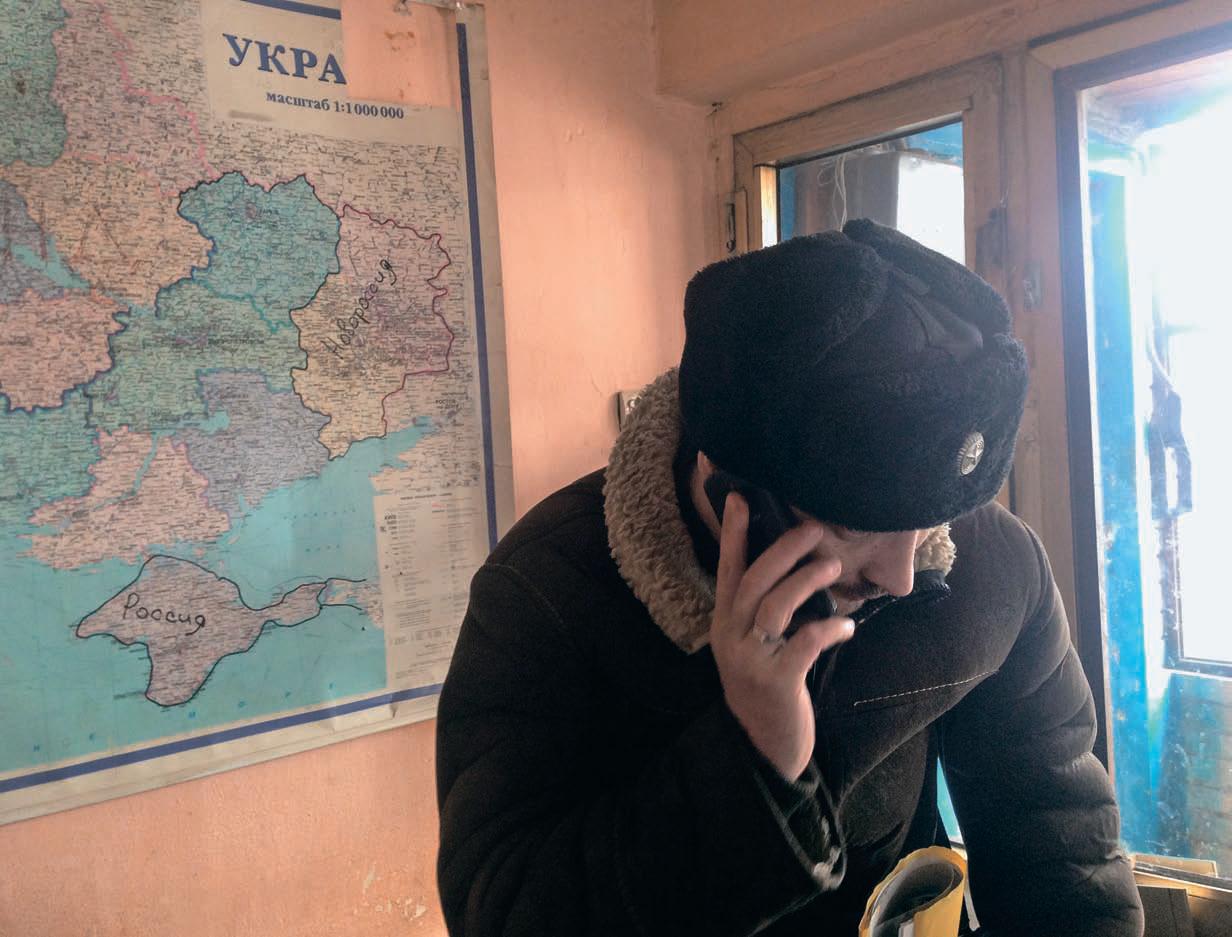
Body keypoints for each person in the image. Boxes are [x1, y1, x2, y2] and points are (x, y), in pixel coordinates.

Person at [435, 220, 1144, 936]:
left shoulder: (988, 562)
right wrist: (752, 761)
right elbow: (501, 910)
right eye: (855, 527)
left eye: (930, 519)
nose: (902, 575)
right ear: (728, 487)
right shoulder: (544, 590)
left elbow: (1064, 858)